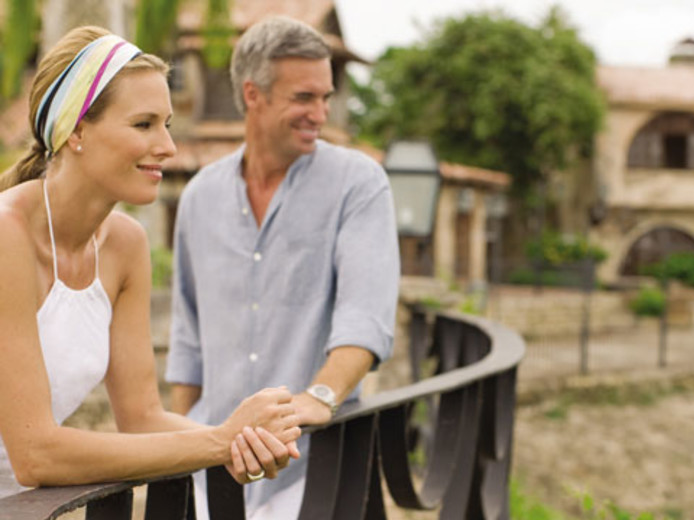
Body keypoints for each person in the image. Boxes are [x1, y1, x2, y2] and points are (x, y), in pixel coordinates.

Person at [0, 26, 302, 501]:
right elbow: (36, 454)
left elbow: (141, 418)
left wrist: (242, 440)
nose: (167, 146)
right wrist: (219, 442)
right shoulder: (7, 235)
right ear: (76, 131)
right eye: (143, 125)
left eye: (167, 124)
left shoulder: (124, 244)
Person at [165, 16, 400, 519]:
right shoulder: (199, 197)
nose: (321, 113)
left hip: (313, 469)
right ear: (253, 94)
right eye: (304, 98)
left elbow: (365, 319)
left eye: (326, 97)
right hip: (212, 471)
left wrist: (319, 397)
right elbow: (188, 341)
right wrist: (174, 464)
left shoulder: (359, 184)